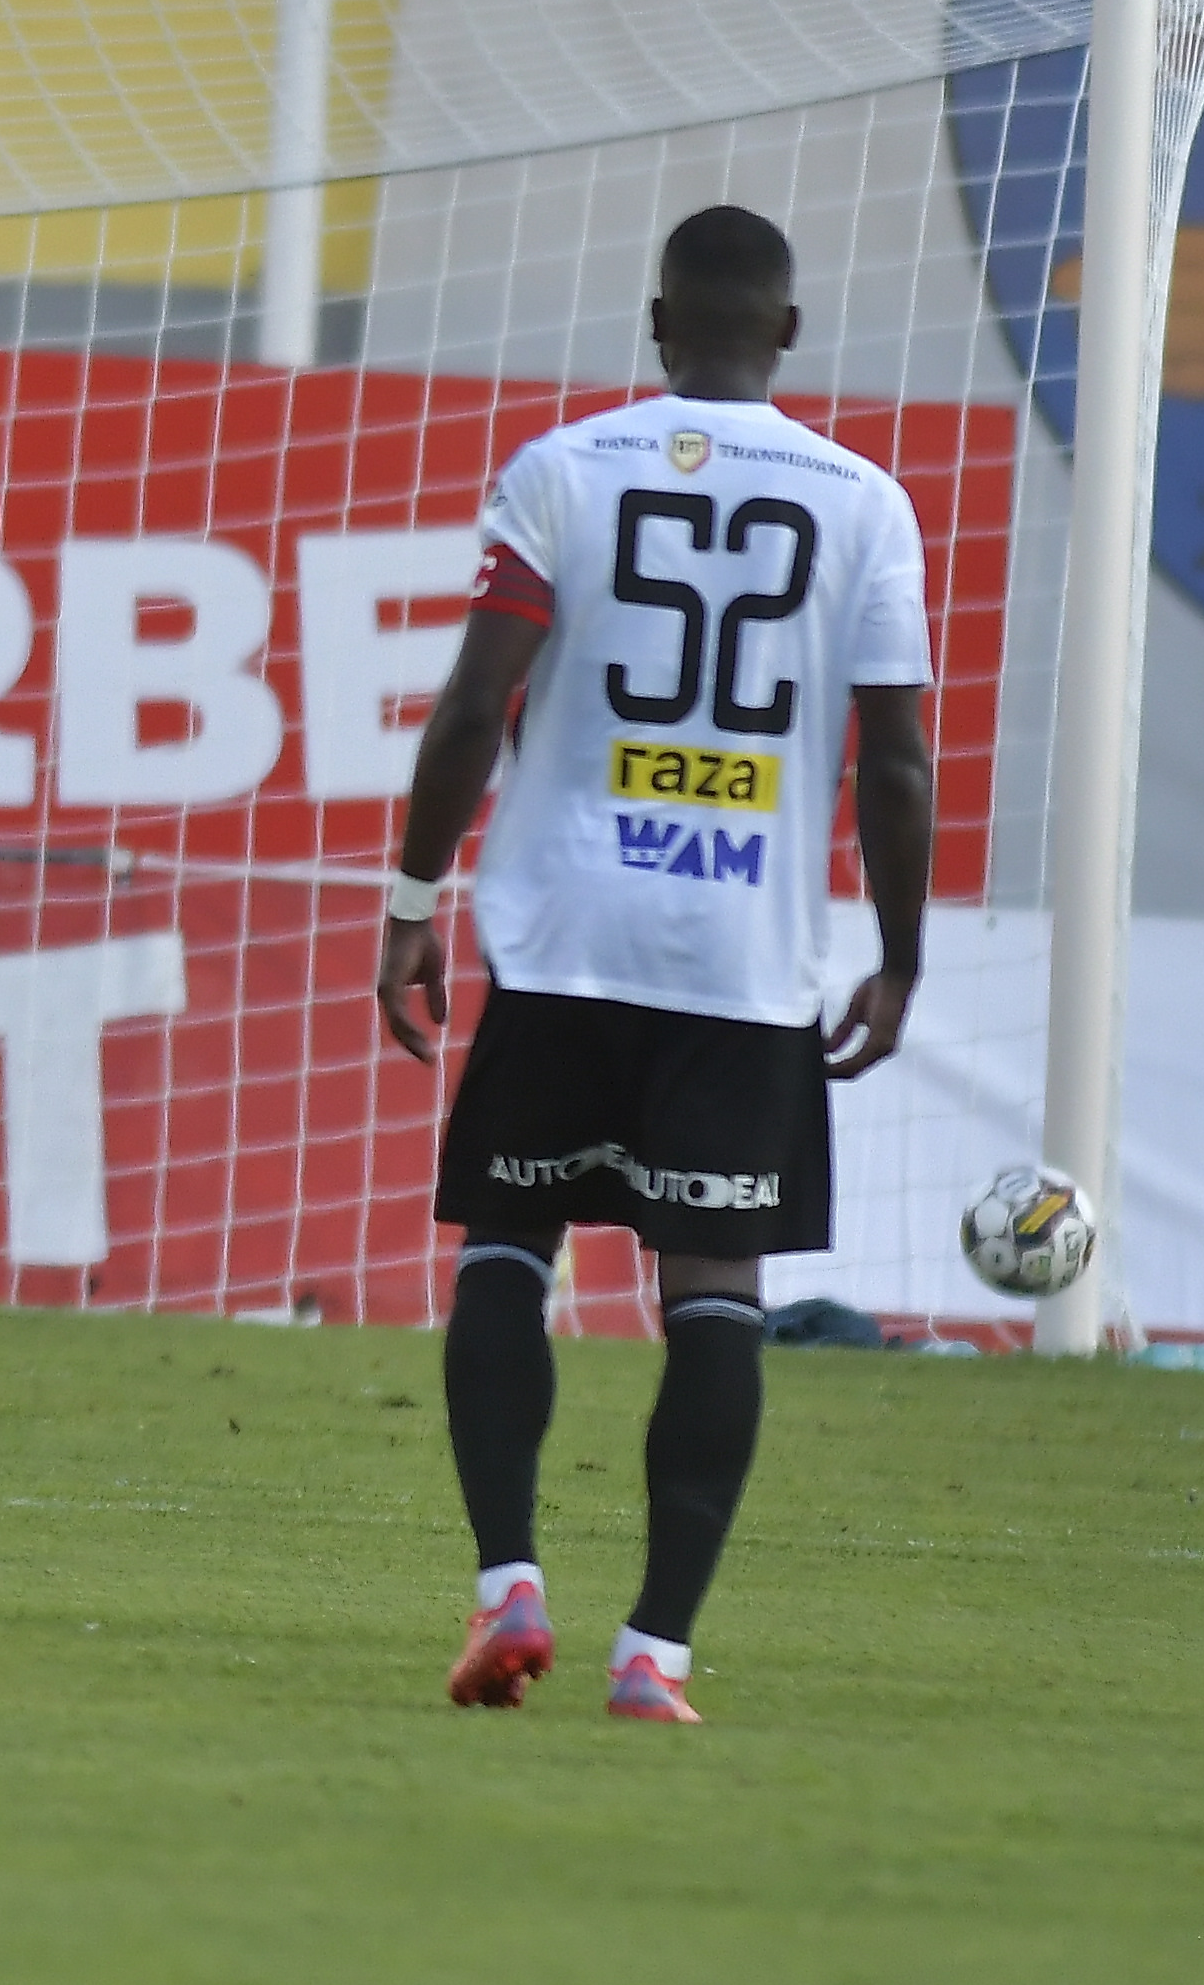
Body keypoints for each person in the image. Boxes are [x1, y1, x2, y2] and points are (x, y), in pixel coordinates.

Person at [376, 205, 932, 1726]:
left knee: (505, 1247)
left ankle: (505, 1588)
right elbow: (894, 759)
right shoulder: (867, 505)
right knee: (714, 1294)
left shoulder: (561, 469)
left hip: (565, 940)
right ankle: (655, 1658)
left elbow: (473, 704)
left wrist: (410, 900)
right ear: (789, 333)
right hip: (738, 959)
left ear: (653, 319)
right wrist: (899, 953)